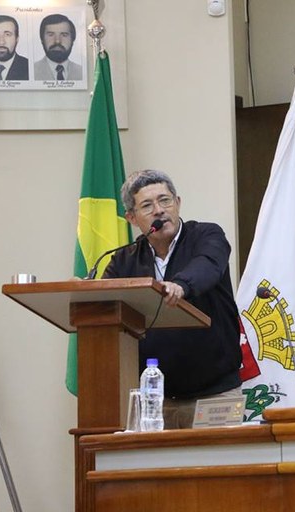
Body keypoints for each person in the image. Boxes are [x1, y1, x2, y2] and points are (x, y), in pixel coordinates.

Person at [103, 170, 242, 428]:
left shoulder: (207, 236)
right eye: (147, 205)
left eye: (165, 200)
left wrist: (181, 285)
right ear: (131, 218)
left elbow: (208, 265)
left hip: (215, 395)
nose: (159, 210)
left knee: (220, 457)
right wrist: (85, 291)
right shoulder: (125, 259)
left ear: (177, 202)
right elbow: (105, 298)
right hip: (154, 400)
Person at [33, 14, 83, 81]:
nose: (57, 41)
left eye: (64, 35)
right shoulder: (32, 71)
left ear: (72, 40)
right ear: (42, 39)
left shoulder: (82, 72)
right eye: (51, 35)